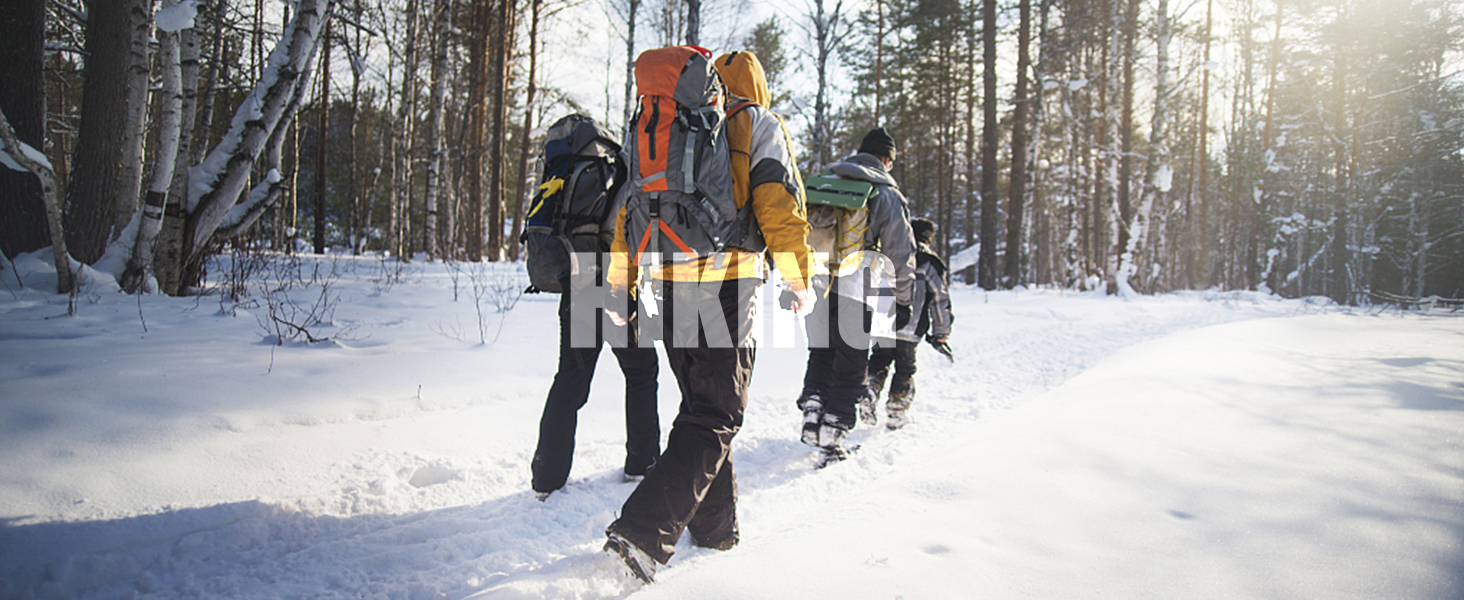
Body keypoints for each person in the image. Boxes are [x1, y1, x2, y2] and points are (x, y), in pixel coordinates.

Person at [600, 49, 816, 584]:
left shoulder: (658, 126)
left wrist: (617, 288)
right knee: (719, 414)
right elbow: (779, 207)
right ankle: (642, 533)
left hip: (663, 281)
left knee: (701, 408)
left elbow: (628, 210)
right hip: (724, 280)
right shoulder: (756, 123)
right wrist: (799, 279)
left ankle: (716, 534)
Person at [529, 119, 660, 500]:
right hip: (614, 281)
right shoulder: (623, 173)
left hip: (579, 277)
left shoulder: (580, 175)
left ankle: (546, 479)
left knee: (570, 379)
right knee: (640, 371)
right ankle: (642, 464)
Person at [797, 127, 917, 456]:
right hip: (857, 287)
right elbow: (900, 253)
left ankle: (812, 416)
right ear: (885, 159)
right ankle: (833, 433)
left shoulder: (827, 182)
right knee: (851, 360)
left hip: (817, 282)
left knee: (821, 352)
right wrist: (903, 300)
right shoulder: (887, 195)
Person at [865, 217, 954, 430]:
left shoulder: (891, 253)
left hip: (883, 322)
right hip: (910, 327)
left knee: (879, 360)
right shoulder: (930, 262)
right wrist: (941, 331)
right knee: (905, 368)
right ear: (928, 238)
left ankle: (868, 390)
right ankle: (896, 411)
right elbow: (940, 299)